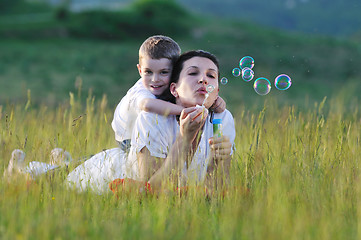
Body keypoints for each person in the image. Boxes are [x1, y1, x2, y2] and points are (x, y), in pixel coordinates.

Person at [66, 50, 235, 194]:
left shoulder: (222, 119)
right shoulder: (151, 119)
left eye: (211, 75)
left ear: (217, 91)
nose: (203, 80)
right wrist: (184, 140)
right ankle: (60, 160)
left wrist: (220, 159)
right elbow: (151, 191)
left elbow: (217, 191)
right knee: (50, 174)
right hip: (100, 177)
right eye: (193, 73)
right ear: (174, 89)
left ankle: (62, 159)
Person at [111, 35, 226, 151]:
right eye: (148, 72)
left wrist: (214, 101)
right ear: (140, 70)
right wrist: (186, 111)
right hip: (126, 138)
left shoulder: (170, 85)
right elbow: (147, 105)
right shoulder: (142, 90)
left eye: (164, 72)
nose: (155, 79)